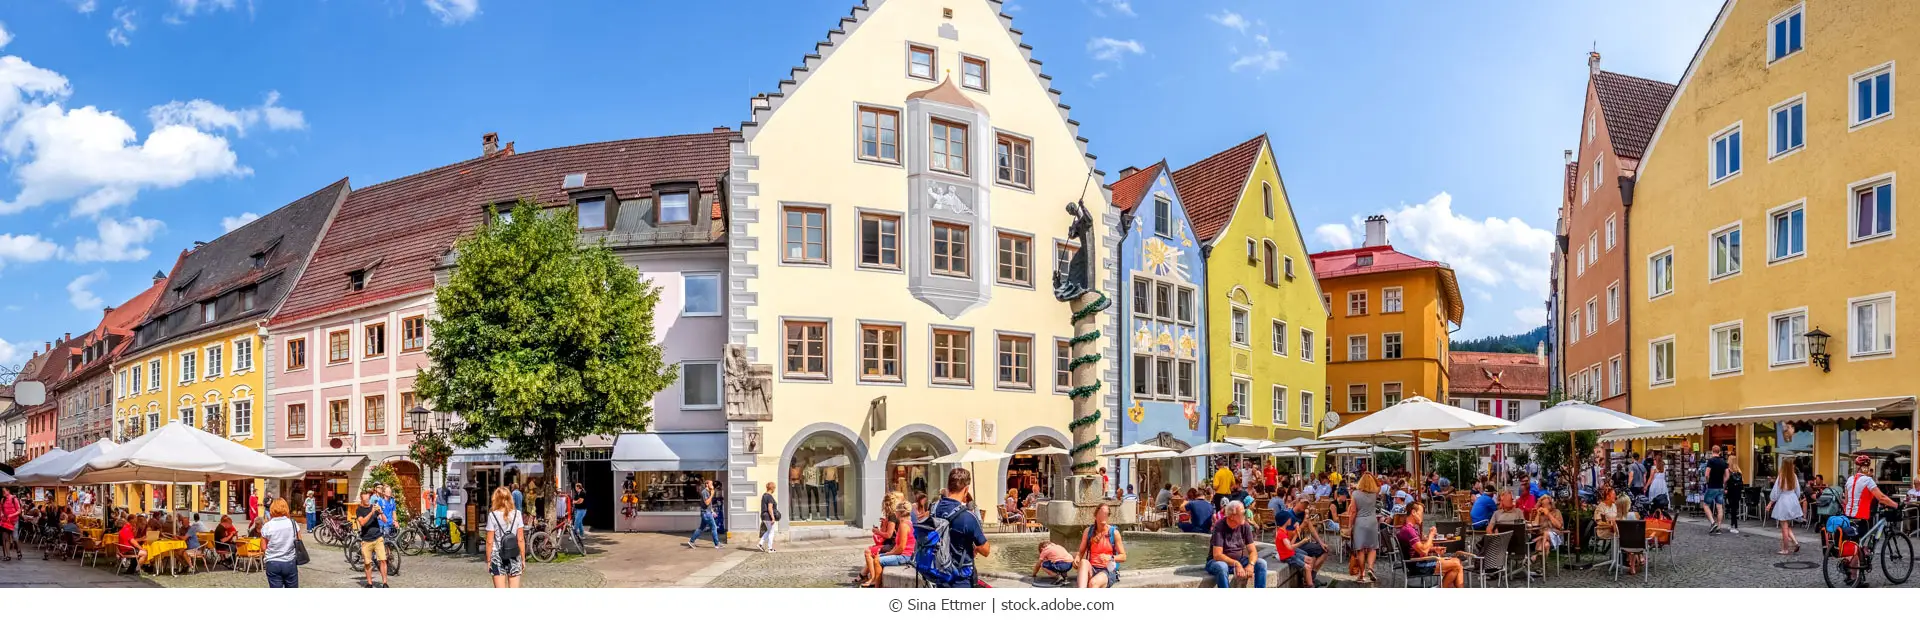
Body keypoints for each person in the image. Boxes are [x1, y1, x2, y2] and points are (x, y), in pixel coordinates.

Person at [915, 467, 990, 588]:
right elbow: (985, 550)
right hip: (960, 580)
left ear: (948, 487)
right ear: (966, 490)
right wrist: (975, 547)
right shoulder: (967, 517)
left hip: (937, 574)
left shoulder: (933, 509)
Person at [1395, 502, 1465, 588]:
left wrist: (1434, 549)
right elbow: (1423, 551)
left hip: (1418, 562)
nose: (1422, 516)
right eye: (1421, 513)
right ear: (1413, 512)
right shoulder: (1409, 530)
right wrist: (1431, 535)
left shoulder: (1409, 529)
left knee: (1457, 565)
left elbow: (1419, 548)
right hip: (1417, 565)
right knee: (1456, 564)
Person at [1206, 500, 1263, 588]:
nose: (1246, 514)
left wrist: (1251, 564)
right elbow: (1217, 555)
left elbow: (1253, 551)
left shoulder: (1245, 526)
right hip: (1217, 562)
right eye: (1243, 512)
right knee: (1222, 567)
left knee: (1261, 563)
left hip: (1239, 561)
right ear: (1232, 516)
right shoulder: (1219, 526)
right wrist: (1236, 563)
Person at [861, 500, 914, 588]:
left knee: (877, 560)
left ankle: (877, 586)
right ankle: (876, 583)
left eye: (896, 511)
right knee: (877, 557)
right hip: (904, 554)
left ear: (899, 513)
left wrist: (889, 553)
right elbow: (898, 545)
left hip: (905, 556)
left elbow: (901, 548)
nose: (895, 513)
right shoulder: (906, 523)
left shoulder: (904, 525)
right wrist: (888, 553)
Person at [1074, 502, 1124, 588]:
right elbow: (1081, 552)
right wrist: (1077, 558)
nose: (1104, 515)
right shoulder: (1088, 531)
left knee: (1093, 583)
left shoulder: (1114, 533)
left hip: (1107, 570)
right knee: (1083, 562)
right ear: (1096, 514)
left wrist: (1110, 557)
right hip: (1092, 568)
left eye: (1106, 514)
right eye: (1101, 513)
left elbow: (1123, 556)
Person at [485, 486, 526, 588]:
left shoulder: (492, 515)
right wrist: (523, 558)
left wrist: (489, 560)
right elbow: (520, 539)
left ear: (495, 499)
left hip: (497, 554)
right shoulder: (517, 514)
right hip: (514, 554)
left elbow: (489, 541)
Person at [1346, 472, 1381, 584]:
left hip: (1360, 522)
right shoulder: (1374, 493)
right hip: (1372, 521)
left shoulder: (1355, 494)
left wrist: (1349, 526)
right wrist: (1372, 475)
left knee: (1360, 549)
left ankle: (1361, 574)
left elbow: (1353, 511)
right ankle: (1370, 568)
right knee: (1372, 548)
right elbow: (1379, 484)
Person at [261, 498, 301, 588]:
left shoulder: (267, 526)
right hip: (289, 561)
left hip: (272, 562)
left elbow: (263, 547)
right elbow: (299, 541)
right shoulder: (293, 523)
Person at [355, 489, 390, 588]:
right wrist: (371, 512)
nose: (367, 501)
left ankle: (384, 582)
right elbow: (362, 523)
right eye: (365, 499)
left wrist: (381, 512)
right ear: (361, 499)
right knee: (367, 563)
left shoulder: (373, 507)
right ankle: (369, 583)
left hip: (378, 538)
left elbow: (385, 520)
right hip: (366, 540)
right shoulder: (359, 510)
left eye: (368, 499)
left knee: (383, 560)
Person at [1767, 464, 1804, 555]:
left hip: (1783, 500)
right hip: (1792, 499)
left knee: (1784, 526)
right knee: (1786, 525)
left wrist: (1770, 502)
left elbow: (1776, 492)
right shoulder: (1794, 476)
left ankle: (1785, 548)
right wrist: (1795, 498)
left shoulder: (1781, 476)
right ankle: (1795, 542)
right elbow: (1798, 491)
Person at [1531, 496, 1564, 574]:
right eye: (1543, 505)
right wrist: (1538, 515)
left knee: (1546, 533)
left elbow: (1559, 526)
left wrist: (1548, 514)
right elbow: (1534, 527)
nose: (1545, 506)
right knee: (1546, 545)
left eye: (1547, 504)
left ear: (1551, 504)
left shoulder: (1557, 512)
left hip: (1556, 537)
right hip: (1543, 539)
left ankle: (1536, 555)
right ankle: (1542, 567)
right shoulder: (1540, 514)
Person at [1702, 445, 1729, 534]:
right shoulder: (1723, 462)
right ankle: (1719, 527)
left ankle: (1713, 522)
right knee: (1719, 508)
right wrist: (1723, 481)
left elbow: (1706, 474)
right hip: (1720, 487)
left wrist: (1707, 481)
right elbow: (1727, 475)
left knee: (1705, 505)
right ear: (1719, 452)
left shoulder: (1711, 461)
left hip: (1712, 486)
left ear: (1712, 452)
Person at [1725, 458, 1747, 535]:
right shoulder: (1739, 471)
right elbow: (1742, 482)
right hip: (1737, 492)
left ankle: (1734, 526)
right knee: (1734, 508)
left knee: (1732, 509)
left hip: (1731, 492)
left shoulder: (1728, 470)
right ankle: (1733, 524)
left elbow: (1726, 481)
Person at [758, 482, 779, 553]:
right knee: (771, 532)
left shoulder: (764, 495)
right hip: (768, 517)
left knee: (769, 531)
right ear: (772, 488)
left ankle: (760, 544)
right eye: (774, 488)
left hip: (764, 516)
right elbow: (770, 508)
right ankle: (770, 548)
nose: (774, 489)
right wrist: (773, 518)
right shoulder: (769, 497)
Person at [0, 488, 19, 562]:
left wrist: (11, 515)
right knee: (6, 538)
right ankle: (8, 556)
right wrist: (1, 514)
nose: (3, 492)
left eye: (4, 491)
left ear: (8, 491)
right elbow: (1, 509)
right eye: (2, 491)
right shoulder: (2, 500)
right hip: (5, 521)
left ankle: (18, 550)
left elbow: (19, 510)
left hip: (14, 521)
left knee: (14, 537)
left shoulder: (14, 499)